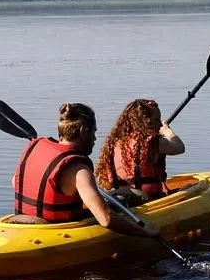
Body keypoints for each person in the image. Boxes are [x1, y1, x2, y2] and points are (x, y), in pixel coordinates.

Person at [11, 102, 158, 237]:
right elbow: (106, 220)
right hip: (57, 231)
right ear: (83, 131)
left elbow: (15, 182)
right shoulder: (79, 170)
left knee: (118, 195)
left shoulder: (35, 148)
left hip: (19, 224)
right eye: (93, 132)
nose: (94, 138)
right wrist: (145, 232)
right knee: (133, 197)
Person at [95, 99, 185, 202]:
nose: (160, 124)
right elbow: (179, 147)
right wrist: (167, 131)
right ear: (144, 122)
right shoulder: (153, 142)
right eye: (156, 120)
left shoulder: (113, 143)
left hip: (119, 200)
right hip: (147, 201)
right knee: (188, 189)